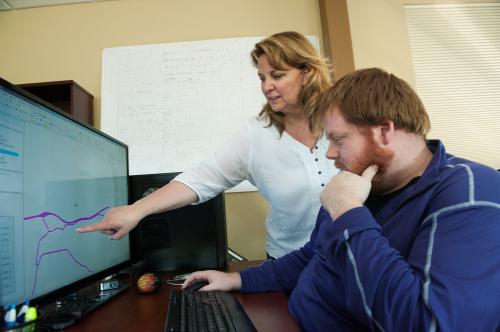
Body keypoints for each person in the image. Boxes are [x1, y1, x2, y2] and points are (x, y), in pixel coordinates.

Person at [182, 68, 500, 331]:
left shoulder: (471, 195)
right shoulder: (366, 182)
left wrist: (348, 211)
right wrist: (237, 278)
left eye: (338, 140)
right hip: (293, 318)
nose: (330, 154)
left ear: (385, 132)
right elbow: (313, 255)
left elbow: (427, 323)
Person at [77, 31, 338, 259]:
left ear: (306, 73)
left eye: (277, 75)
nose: (267, 86)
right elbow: (200, 179)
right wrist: (136, 210)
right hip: (288, 265)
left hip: (351, 259)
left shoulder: (344, 120)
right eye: (262, 77)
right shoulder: (256, 134)